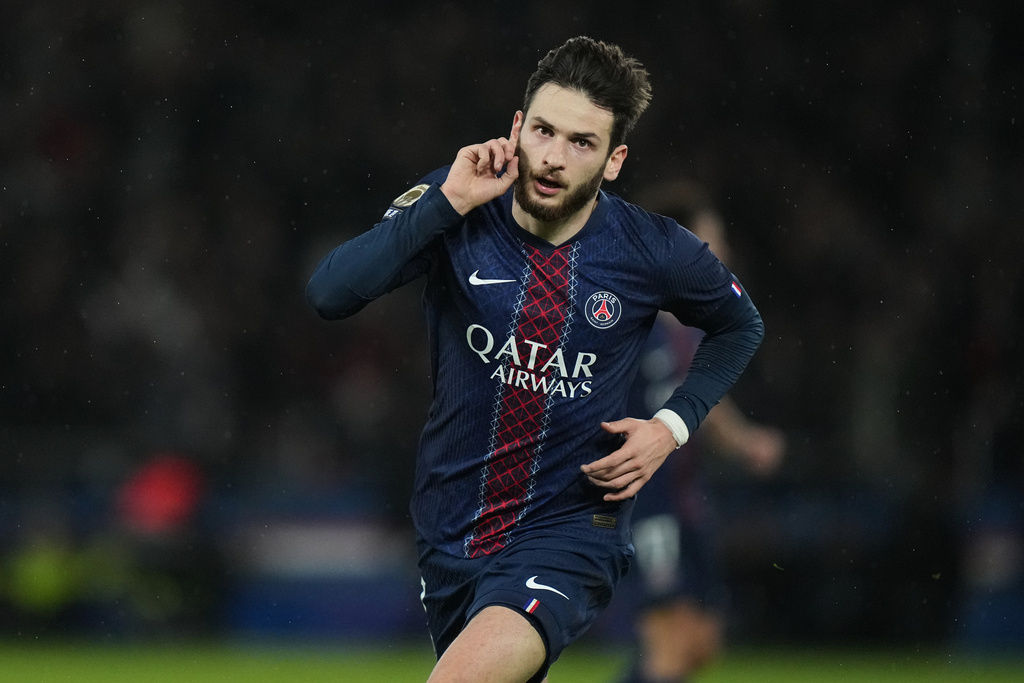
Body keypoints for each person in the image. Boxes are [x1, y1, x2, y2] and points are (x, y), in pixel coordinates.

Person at [306, 37, 764, 683]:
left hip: (569, 530)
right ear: (517, 127)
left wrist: (671, 427)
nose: (552, 157)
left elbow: (739, 324)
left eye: (581, 142)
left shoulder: (651, 249)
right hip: (451, 528)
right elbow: (330, 294)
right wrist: (446, 202)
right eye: (543, 130)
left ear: (613, 160)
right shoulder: (460, 202)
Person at [615, 179, 786, 683]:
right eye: (710, 242)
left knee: (702, 643)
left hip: (687, 498)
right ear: (677, 248)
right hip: (644, 503)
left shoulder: (687, 328)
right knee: (669, 642)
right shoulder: (624, 320)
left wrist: (745, 442)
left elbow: (699, 400)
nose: (723, 252)